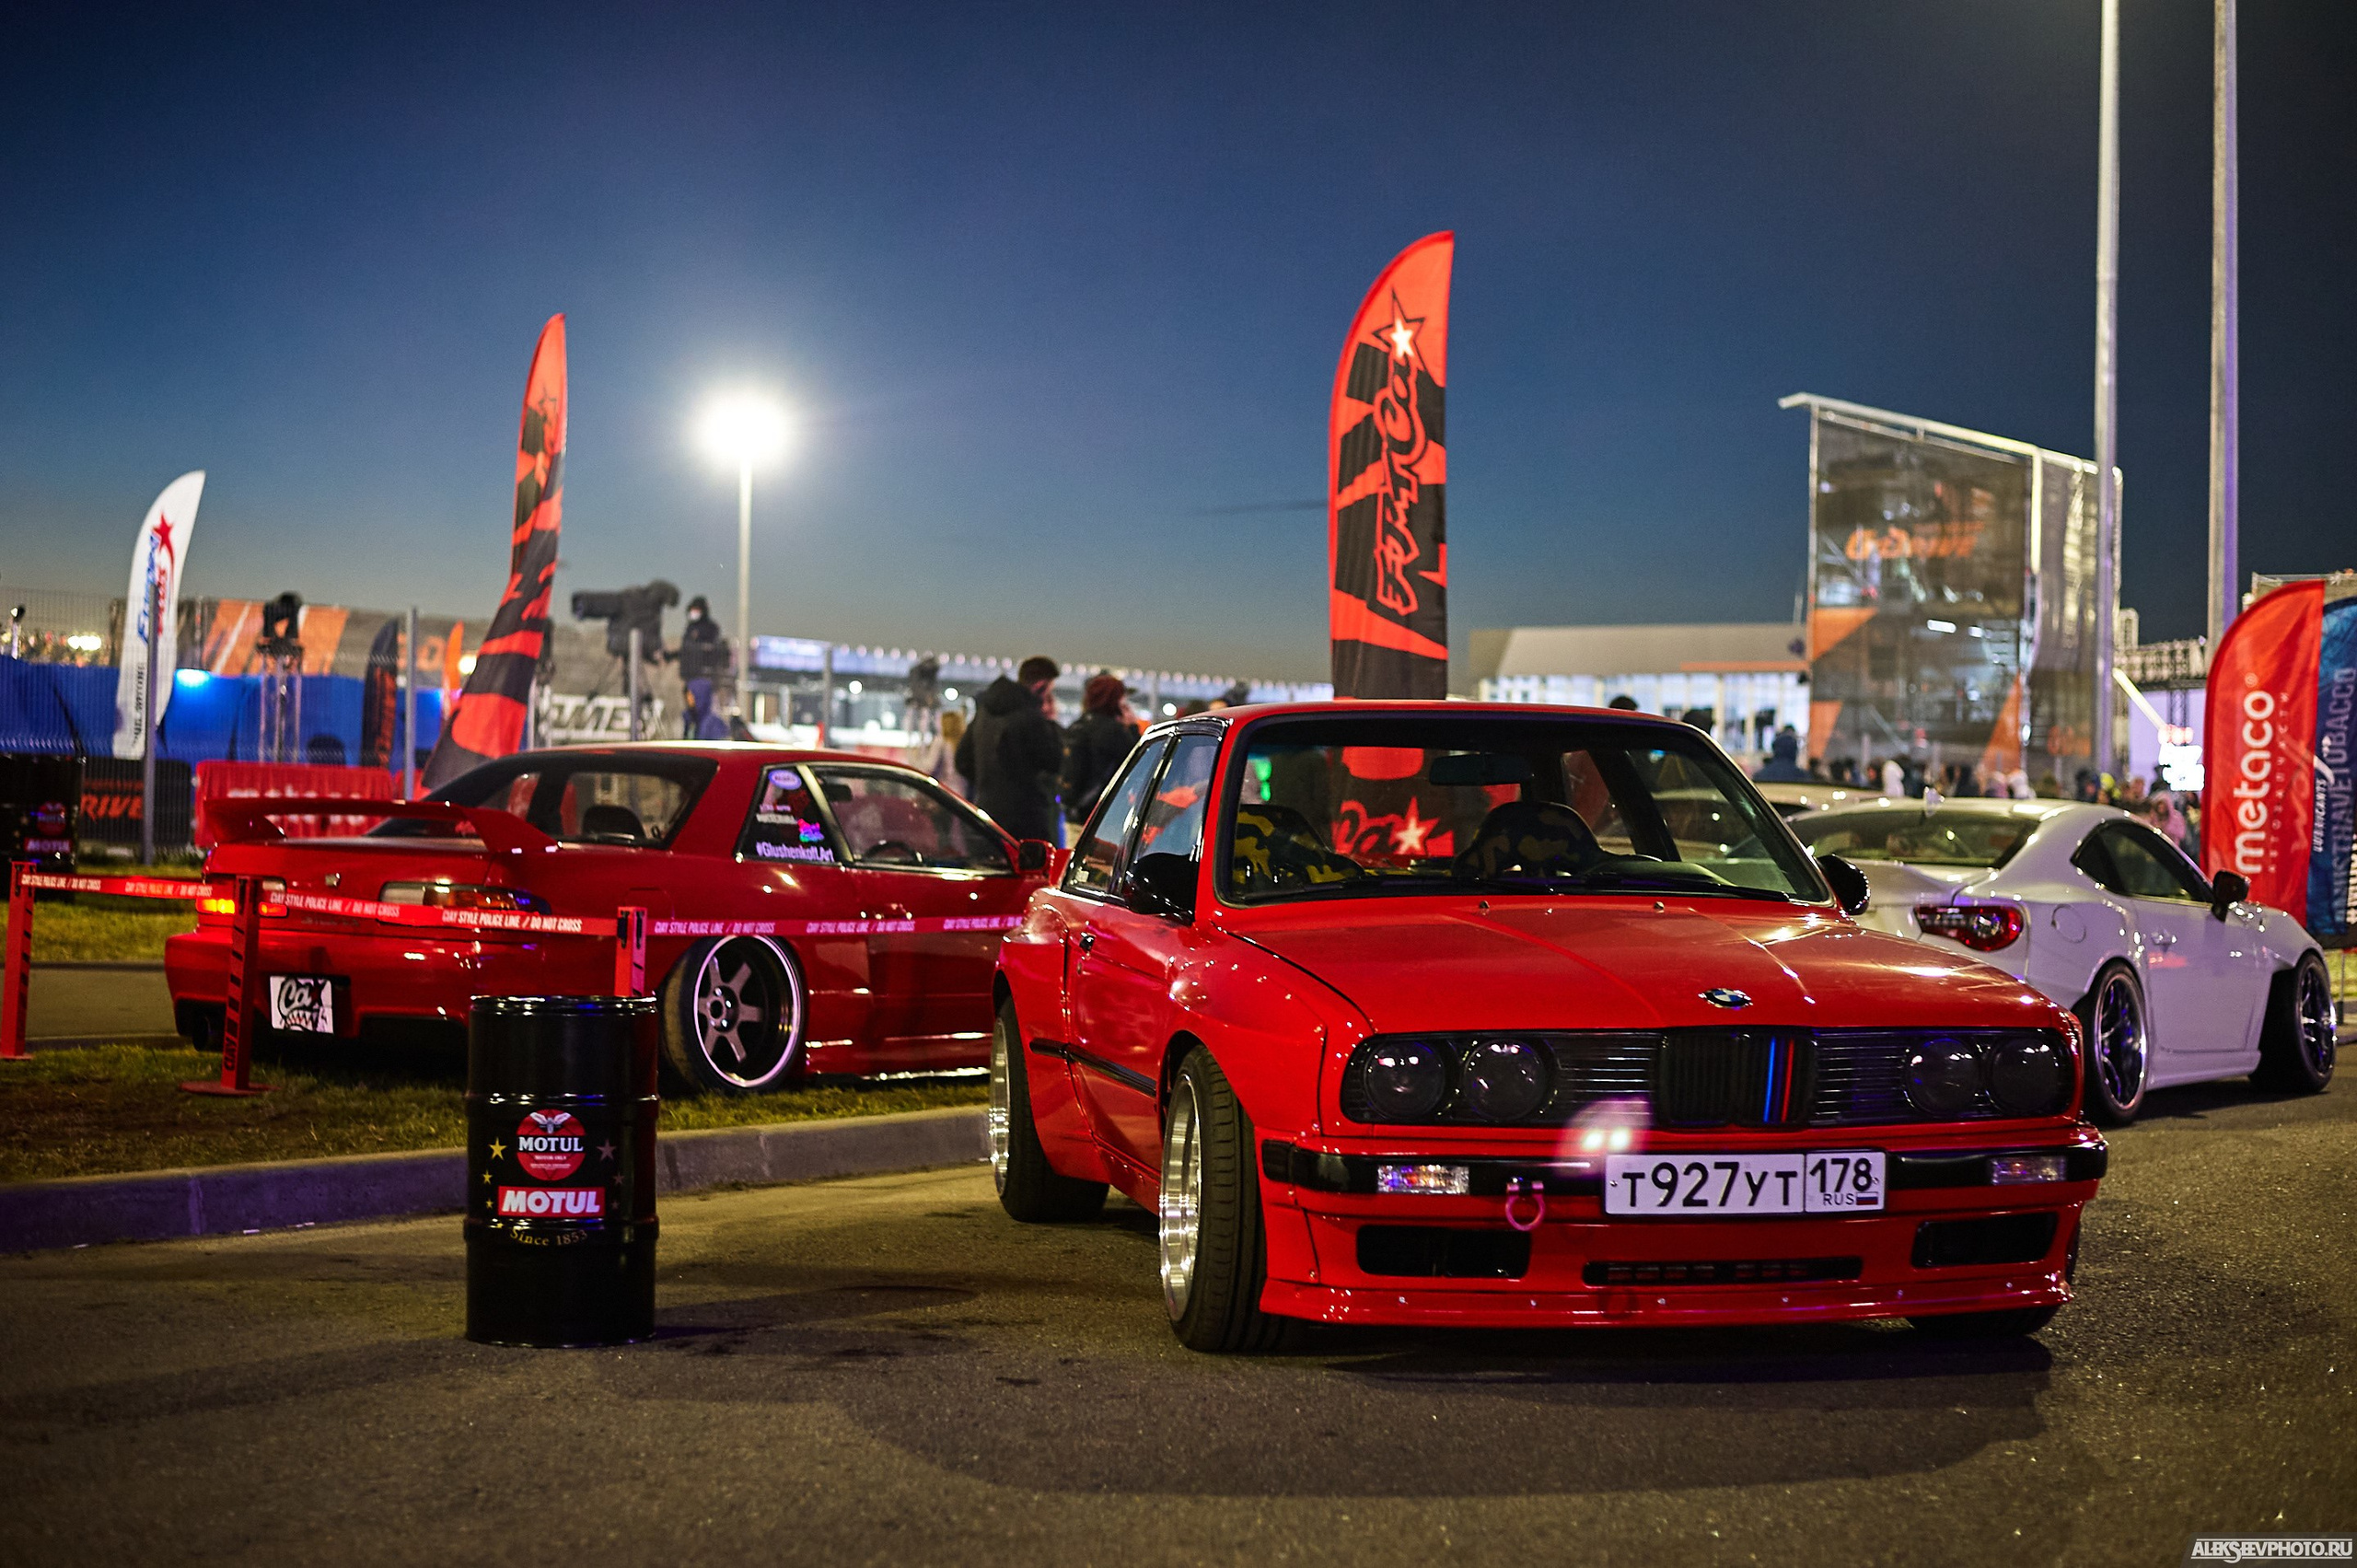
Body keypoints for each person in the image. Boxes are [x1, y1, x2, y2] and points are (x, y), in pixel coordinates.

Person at [956, 656, 1063, 842]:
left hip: (987, 813)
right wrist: (1051, 722)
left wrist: (989, 783)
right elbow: (1055, 762)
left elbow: (962, 761)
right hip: (1028, 820)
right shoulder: (1031, 717)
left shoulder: (984, 712)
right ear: (1040, 686)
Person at [1062, 672, 1138, 826]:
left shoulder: (1077, 725)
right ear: (1114, 700)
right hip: (1101, 817)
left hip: (1075, 814)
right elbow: (1136, 763)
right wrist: (1132, 728)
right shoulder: (1113, 731)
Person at [675, 597, 728, 738]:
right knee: (692, 712)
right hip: (690, 679)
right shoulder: (689, 629)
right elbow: (686, 651)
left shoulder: (710, 629)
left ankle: (701, 738)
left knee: (703, 714)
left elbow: (715, 652)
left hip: (703, 680)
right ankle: (691, 736)